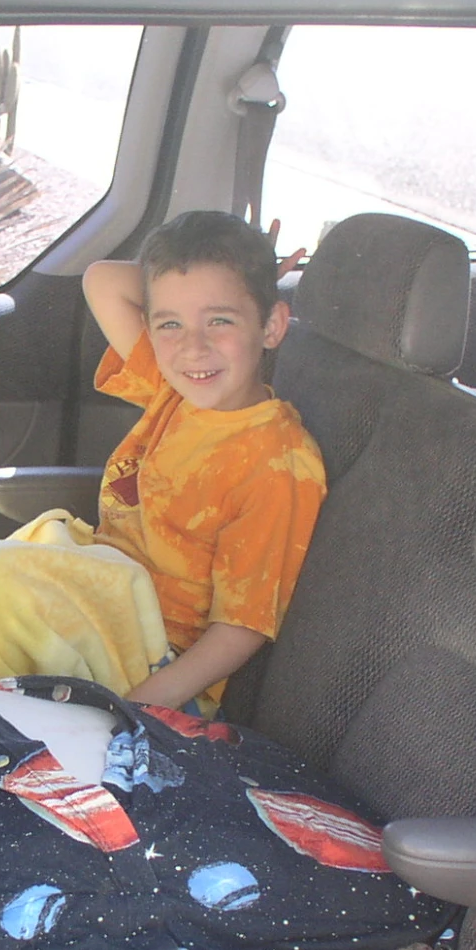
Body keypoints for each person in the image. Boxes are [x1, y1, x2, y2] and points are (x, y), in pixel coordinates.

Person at [80, 210, 326, 711]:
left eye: (220, 321)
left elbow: (240, 628)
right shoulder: (175, 390)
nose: (193, 346)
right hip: (92, 594)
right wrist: (233, 287)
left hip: (153, 658)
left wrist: (127, 713)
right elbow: (102, 280)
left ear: (273, 326)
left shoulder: (279, 463)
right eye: (170, 323)